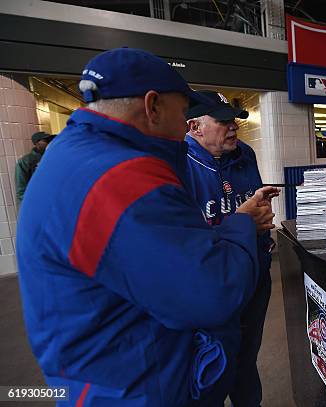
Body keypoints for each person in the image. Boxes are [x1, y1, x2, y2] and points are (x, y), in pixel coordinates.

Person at [16, 47, 278, 406]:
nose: (184, 125)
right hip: (134, 386)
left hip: (119, 373)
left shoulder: (78, 155)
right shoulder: (119, 176)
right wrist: (242, 224)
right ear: (153, 106)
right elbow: (211, 291)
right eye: (183, 111)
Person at [183, 90, 273, 406]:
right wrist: (241, 220)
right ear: (195, 126)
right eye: (223, 121)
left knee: (246, 360)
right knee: (213, 367)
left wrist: (260, 219)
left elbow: (252, 209)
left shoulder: (244, 153)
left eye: (233, 119)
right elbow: (183, 242)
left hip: (253, 275)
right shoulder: (177, 163)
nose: (233, 126)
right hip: (210, 287)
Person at [15, 131, 53, 203]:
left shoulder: (53, 158)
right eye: (46, 141)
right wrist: (34, 203)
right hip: (39, 203)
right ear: (37, 143)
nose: (50, 143)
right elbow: (21, 192)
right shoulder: (25, 161)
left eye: (50, 140)